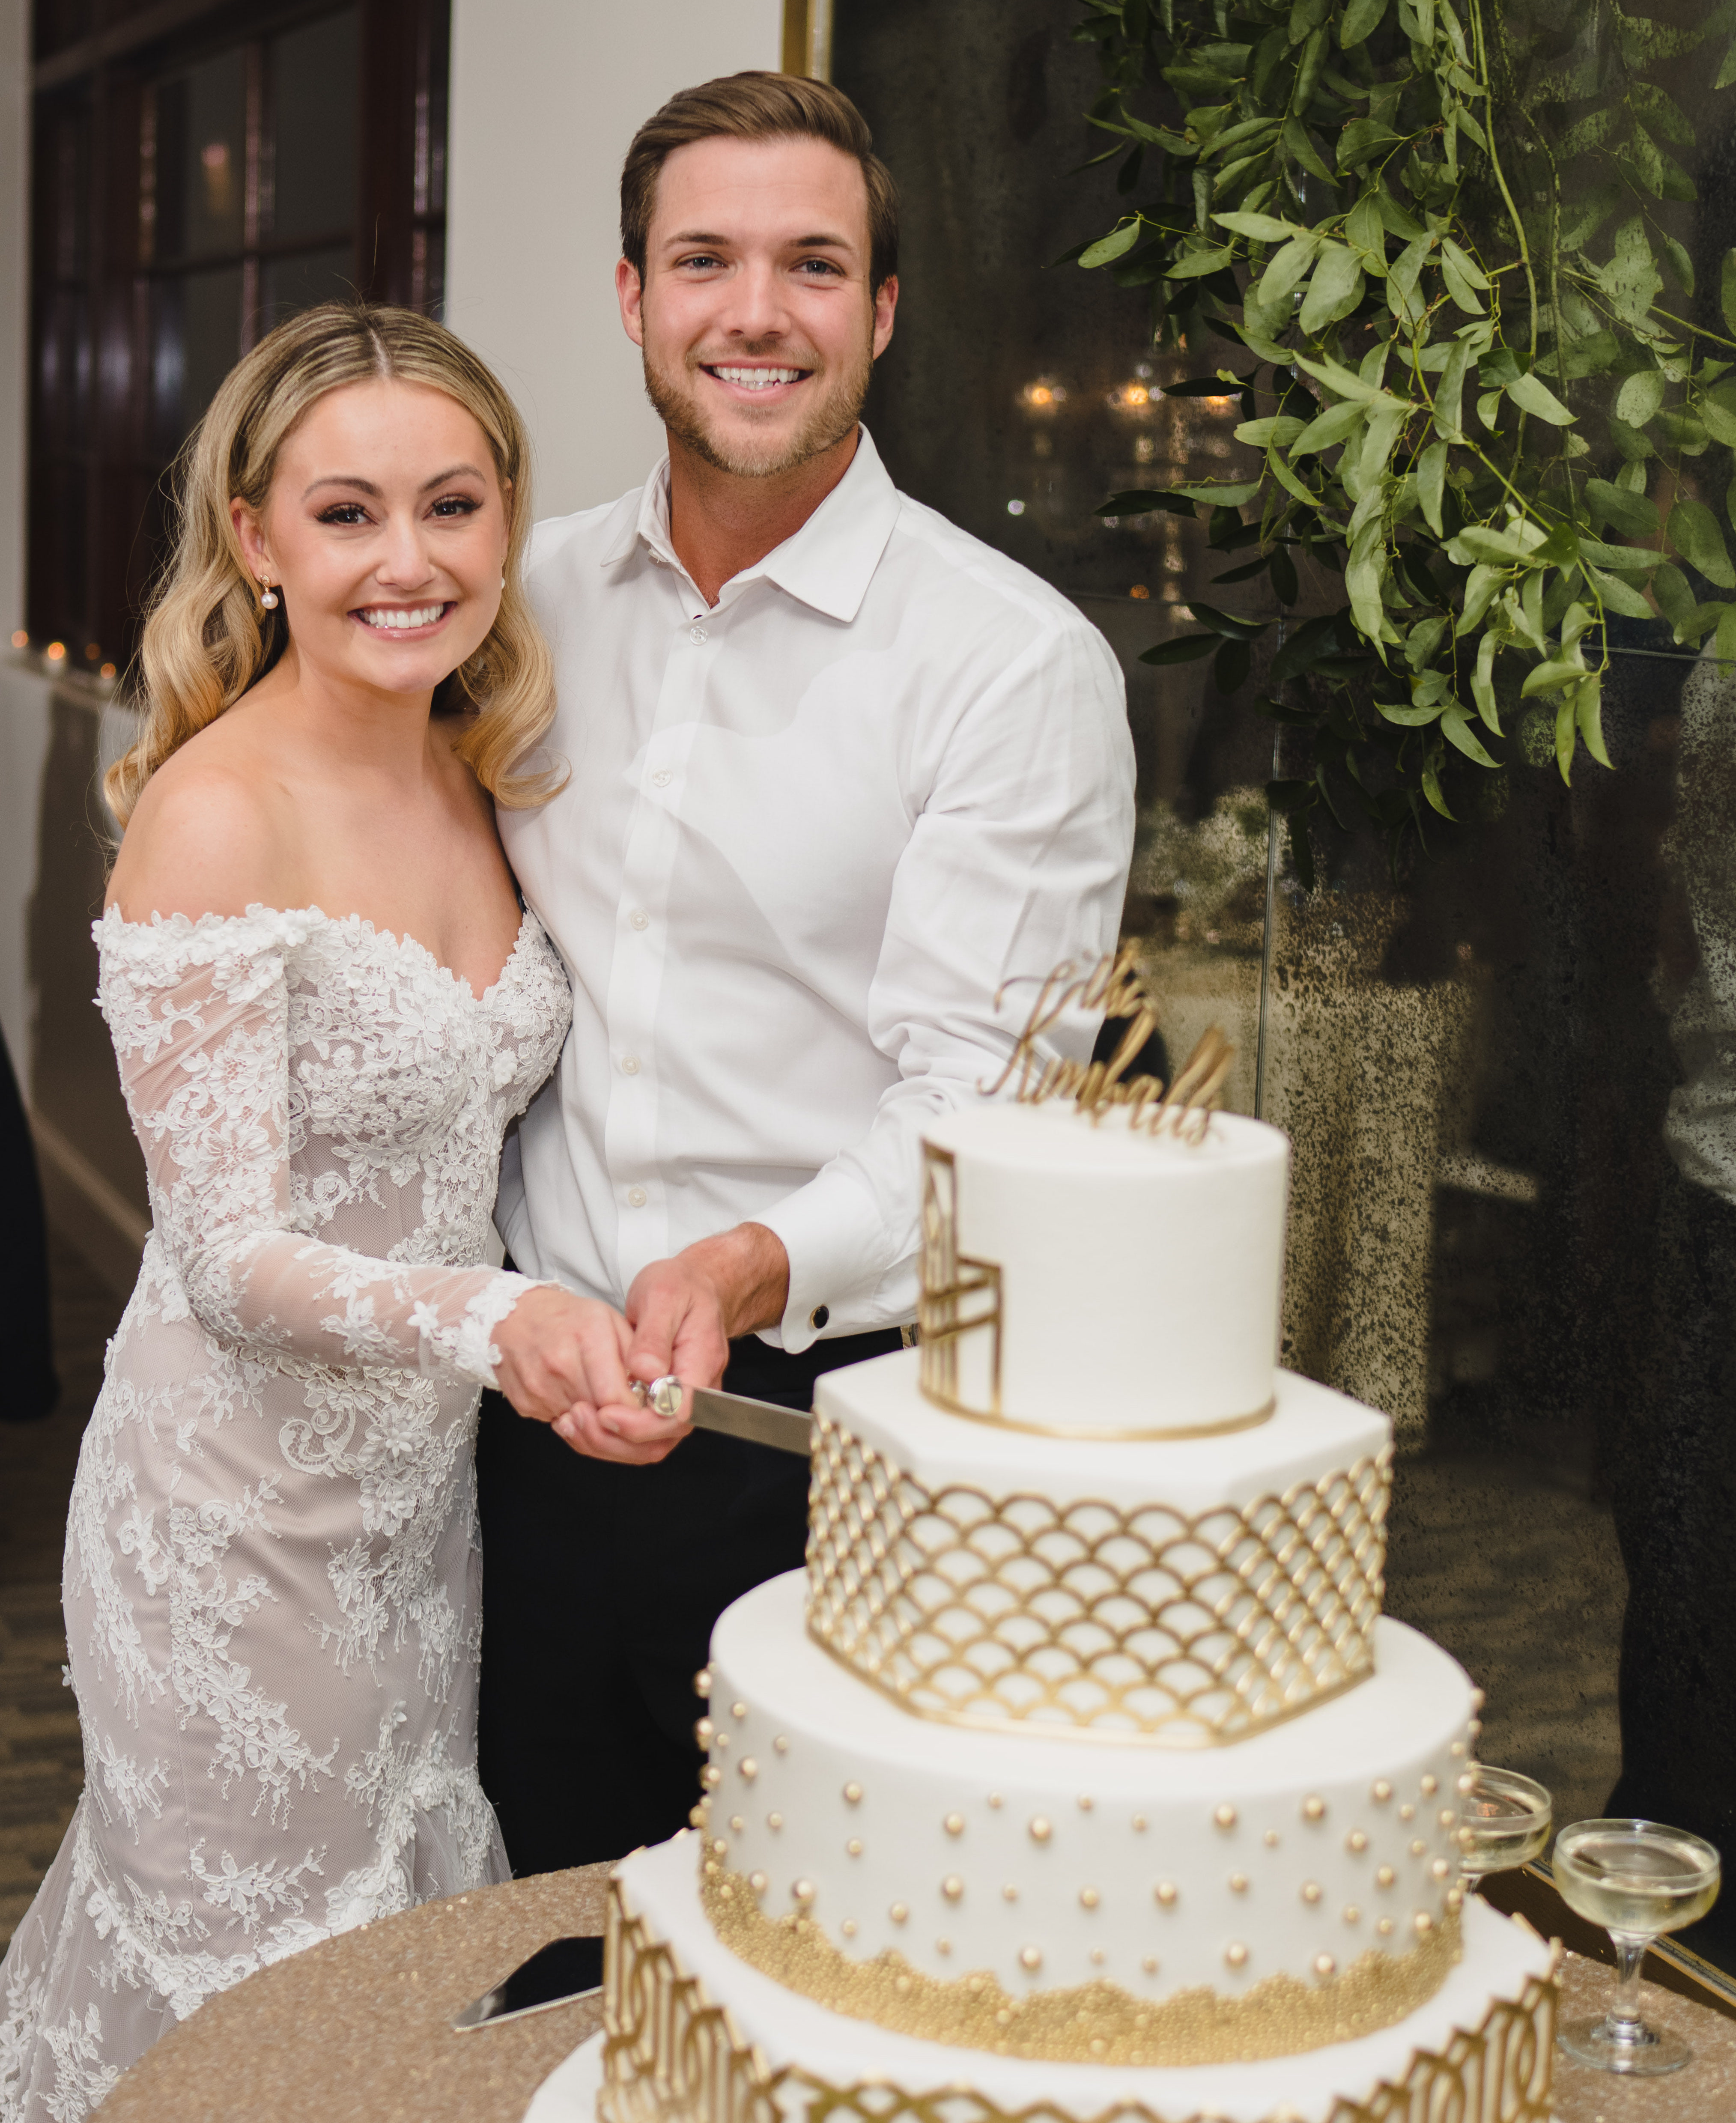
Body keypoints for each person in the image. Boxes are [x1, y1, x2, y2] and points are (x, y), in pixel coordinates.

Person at [0, 303, 670, 2123]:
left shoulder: (482, 769)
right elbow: (225, 1262)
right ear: (256, 539)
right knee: (253, 1996)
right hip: (230, 1521)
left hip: (416, 1509)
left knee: (393, 1958)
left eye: (452, 506)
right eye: (349, 512)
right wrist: (497, 1317)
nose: (409, 560)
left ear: (506, 522)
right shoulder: (217, 815)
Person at [477, 72, 1136, 1876]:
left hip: (823, 1450)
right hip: (518, 1436)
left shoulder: (1012, 667)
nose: (755, 312)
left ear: (884, 313)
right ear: (632, 297)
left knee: (813, 1955)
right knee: (528, 1949)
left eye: (813, 266)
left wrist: (757, 1254)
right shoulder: (513, 608)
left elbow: (982, 1110)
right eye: (704, 259)